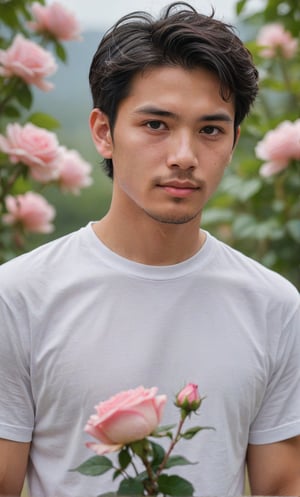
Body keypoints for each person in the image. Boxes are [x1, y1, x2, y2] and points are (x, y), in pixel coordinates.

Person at [0, 2, 299, 496]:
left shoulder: (273, 305)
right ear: (103, 132)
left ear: (234, 140)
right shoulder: (19, 296)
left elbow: (281, 487)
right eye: (156, 125)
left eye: (210, 130)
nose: (184, 156)